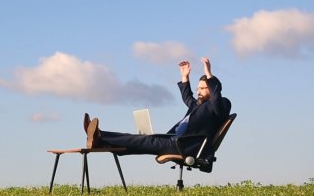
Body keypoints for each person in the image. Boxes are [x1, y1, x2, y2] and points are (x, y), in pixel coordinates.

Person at [85, 57, 231, 168]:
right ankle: (100, 140)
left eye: (203, 88)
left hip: (184, 145)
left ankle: (100, 135)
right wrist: (185, 77)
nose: (198, 91)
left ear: (212, 89)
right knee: (138, 139)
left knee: (143, 140)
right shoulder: (198, 105)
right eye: (198, 88)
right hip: (174, 140)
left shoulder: (221, 104)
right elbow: (187, 97)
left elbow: (217, 100)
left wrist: (209, 74)